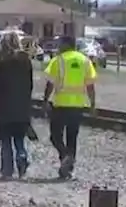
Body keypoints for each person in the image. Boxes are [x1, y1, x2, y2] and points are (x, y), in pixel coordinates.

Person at [42, 36, 97, 180]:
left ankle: (65, 156)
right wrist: (92, 104)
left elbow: (50, 84)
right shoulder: (85, 61)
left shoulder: (58, 60)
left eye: (60, 44)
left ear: (66, 45)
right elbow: (90, 85)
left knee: (55, 136)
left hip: (60, 105)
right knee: (72, 138)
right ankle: (69, 168)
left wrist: (45, 100)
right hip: (77, 106)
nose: (58, 46)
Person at [0, 33, 37, 178]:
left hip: (2, 107)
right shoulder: (25, 59)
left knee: (6, 139)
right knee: (19, 137)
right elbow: (29, 83)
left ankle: (7, 170)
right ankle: (22, 158)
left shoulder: (1, 59)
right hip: (21, 105)